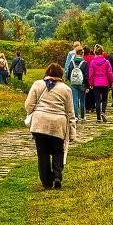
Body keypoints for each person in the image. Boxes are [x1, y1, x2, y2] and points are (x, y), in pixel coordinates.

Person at [24, 62, 76, 190]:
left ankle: (47, 182)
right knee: (58, 150)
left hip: (39, 124)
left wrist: (35, 112)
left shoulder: (37, 84)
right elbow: (70, 112)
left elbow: (28, 105)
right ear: (60, 75)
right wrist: (72, 131)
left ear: (47, 73)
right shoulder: (66, 89)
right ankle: (57, 176)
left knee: (43, 154)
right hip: (58, 124)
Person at [86, 44, 113, 122]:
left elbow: (91, 74)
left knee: (97, 100)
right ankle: (103, 112)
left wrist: (91, 83)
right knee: (105, 99)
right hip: (105, 83)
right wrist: (112, 81)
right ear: (102, 52)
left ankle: (98, 117)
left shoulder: (92, 62)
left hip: (96, 83)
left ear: (95, 53)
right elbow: (110, 73)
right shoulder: (106, 62)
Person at [64, 47, 89, 121]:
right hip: (82, 83)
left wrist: (70, 80)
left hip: (73, 83)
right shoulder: (84, 63)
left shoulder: (72, 62)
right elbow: (87, 75)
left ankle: (76, 116)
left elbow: (68, 72)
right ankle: (83, 116)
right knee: (82, 100)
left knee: (75, 100)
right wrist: (87, 85)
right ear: (82, 54)